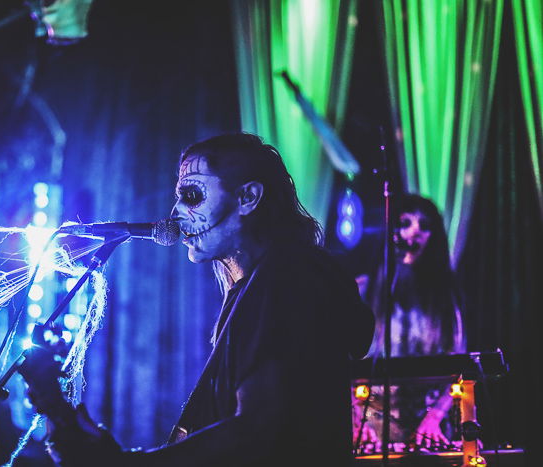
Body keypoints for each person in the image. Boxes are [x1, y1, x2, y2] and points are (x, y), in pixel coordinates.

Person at [23, 133, 375, 466]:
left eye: (192, 195)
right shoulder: (253, 287)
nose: (175, 212)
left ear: (248, 197)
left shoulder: (285, 277)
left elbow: (257, 430)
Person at [353, 194, 465, 452]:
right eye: (405, 223)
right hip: (369, 425)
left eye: (424, 226)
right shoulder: (362, 290)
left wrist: (435, 417)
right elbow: (338, 361)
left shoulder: (446, 299)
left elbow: (459, 364)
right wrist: (358, 420)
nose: (414, 233)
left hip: (429, 426)